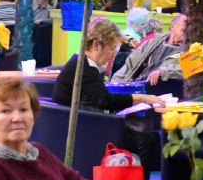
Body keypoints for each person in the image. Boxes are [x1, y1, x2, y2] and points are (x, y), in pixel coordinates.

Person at [53, 20, 164, 170]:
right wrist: (142, 98)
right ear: (96, 45)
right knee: (145, 138)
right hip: (86, 129)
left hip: (80, 122)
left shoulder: (81, 62)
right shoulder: (85, 67)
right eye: (111, 48)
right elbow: (104, 100)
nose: (112, 54)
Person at [112, 12, 186, 87]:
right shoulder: (152, 42)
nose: (188, 31)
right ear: (173, 26)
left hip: (157, 90)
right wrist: (114, 84)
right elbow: (129, 65)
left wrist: (163, 72)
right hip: (134, 86)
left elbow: (189, 68)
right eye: (184, 28)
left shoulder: (189, 49)